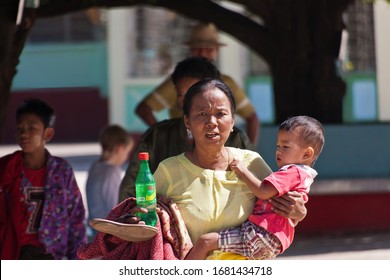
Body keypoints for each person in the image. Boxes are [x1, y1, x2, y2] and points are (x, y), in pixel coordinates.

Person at [147, 79, 307, 260]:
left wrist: (299, 214)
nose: (211, 122)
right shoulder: (169, 170)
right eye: (202, 113)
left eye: (220, 113)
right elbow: (145, 221)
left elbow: (281, 216)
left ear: (232, 122)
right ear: (187, 122)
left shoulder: (252, 164)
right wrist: (138, 218)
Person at [185, 115, 325, 260]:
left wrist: (242, 170)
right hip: (272, 237)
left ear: (307, 153)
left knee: (205, 242)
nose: (279, 151)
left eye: (285, 146)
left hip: (262, 233)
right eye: (278, 146)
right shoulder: (302, 175)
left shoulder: (292, 172)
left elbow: (263, 191)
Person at [119, 56, 253, 201]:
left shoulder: (236, 140)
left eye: (192, 91)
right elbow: (130, 192)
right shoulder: (157, 137)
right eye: (180, 94)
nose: (186, 101)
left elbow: (258, 191)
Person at [135, 22, 260, 145]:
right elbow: (144, 109)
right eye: (198, 49)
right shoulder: (179, 81)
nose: (203, 54)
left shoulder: (228, 83)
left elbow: (252, 117)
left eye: (209, 49)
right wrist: (165, 137)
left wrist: (248, 152)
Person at [0, 98, 86, 260]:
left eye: (32, 128)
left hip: (52, 256)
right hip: (13, 255)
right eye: (20, 129)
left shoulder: (62, 171)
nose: (24, 133)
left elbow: (76, 218)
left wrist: (76, 261)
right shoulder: (5, 168)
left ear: (47, 133)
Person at [86, 124, 134, 238]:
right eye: (127, 152)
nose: (127, 157)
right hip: (108, 231)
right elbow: (116, 207)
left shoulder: (95, 167)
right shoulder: (111, 172)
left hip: (95, 228)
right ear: (119, 148)